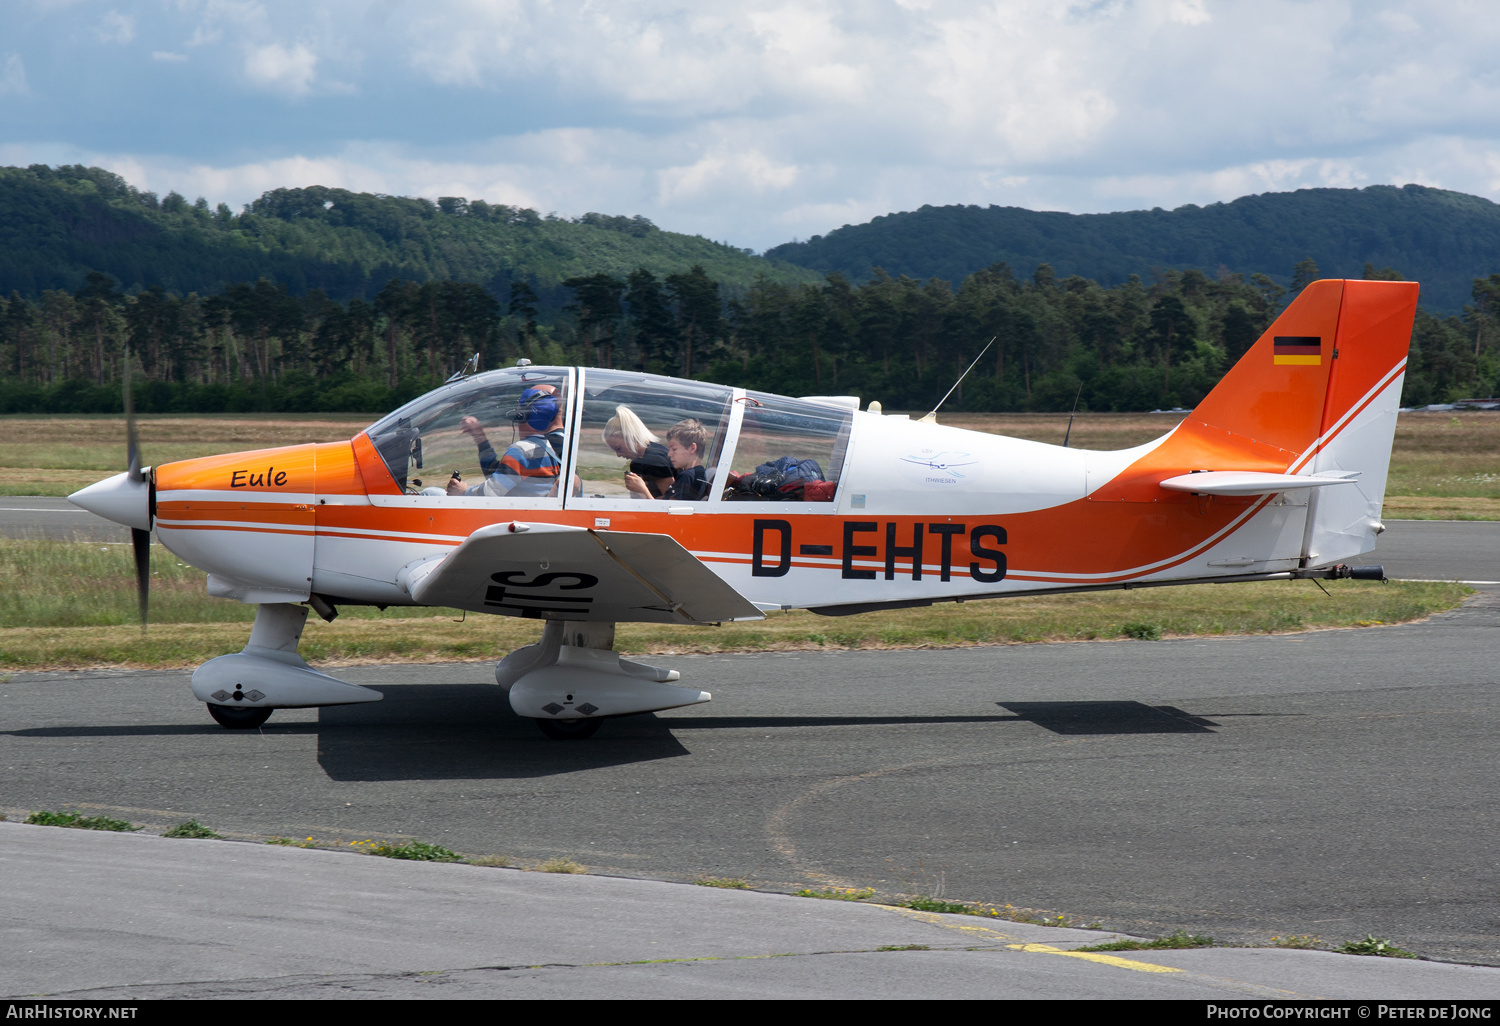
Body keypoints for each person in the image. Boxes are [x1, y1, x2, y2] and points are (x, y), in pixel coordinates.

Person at [447, 383, 563, 497]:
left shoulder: (521, 451)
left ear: (522, 415)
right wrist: (480, 437)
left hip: (514, 514)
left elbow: (490, 493)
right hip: (526, 511)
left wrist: (463, 491)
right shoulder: (548, 448)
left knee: (430, 492)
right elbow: (498, 477)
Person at [663, 418, 711, 500]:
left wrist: (642, 490)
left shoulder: (686, 477)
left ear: (692, 448)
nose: (669, 454)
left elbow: (668, 509)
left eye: (674, 449)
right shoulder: (699, 473)